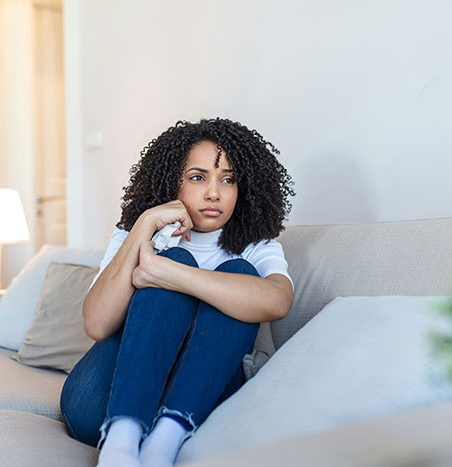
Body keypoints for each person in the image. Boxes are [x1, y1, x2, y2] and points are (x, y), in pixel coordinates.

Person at [60, 117, 296, 467]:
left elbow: (277, 301)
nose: (213, 192)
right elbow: (96, 325)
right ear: (174, 182)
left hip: (197, 408)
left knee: (239, 274)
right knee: (178, 253)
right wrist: (144, 226)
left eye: (227, 180)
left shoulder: (253, 247)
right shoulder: (134, 234)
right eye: (198, 177)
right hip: (101, 403)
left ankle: (163, 443)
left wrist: (163, 270)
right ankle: (121, 441)